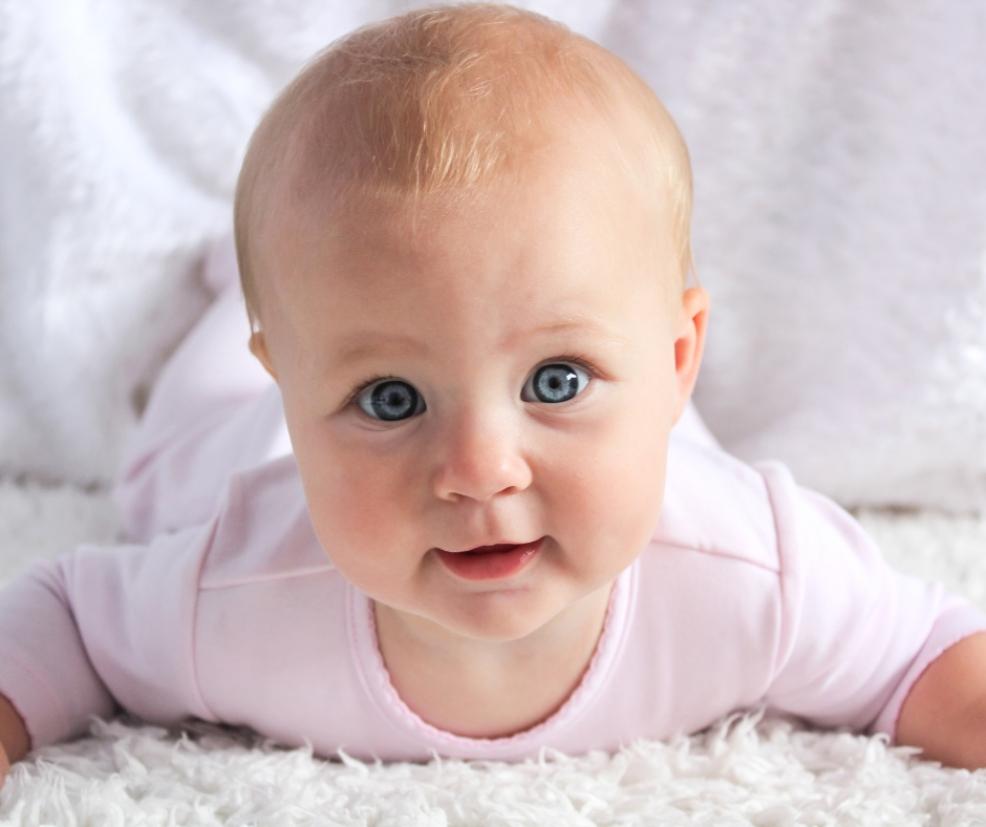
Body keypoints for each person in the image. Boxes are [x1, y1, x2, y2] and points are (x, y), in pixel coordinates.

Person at [2, 3, 985, 783]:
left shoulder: (754, 573)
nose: (477, 469)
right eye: (390, 398)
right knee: (171, 464)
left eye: (553, 379)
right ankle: (243, 285)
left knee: (595, 392)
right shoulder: (229, 595)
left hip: (650, 427)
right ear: (293, 392)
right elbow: (69, 616)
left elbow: (922, 652)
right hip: (238, 448)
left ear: (686, 353)